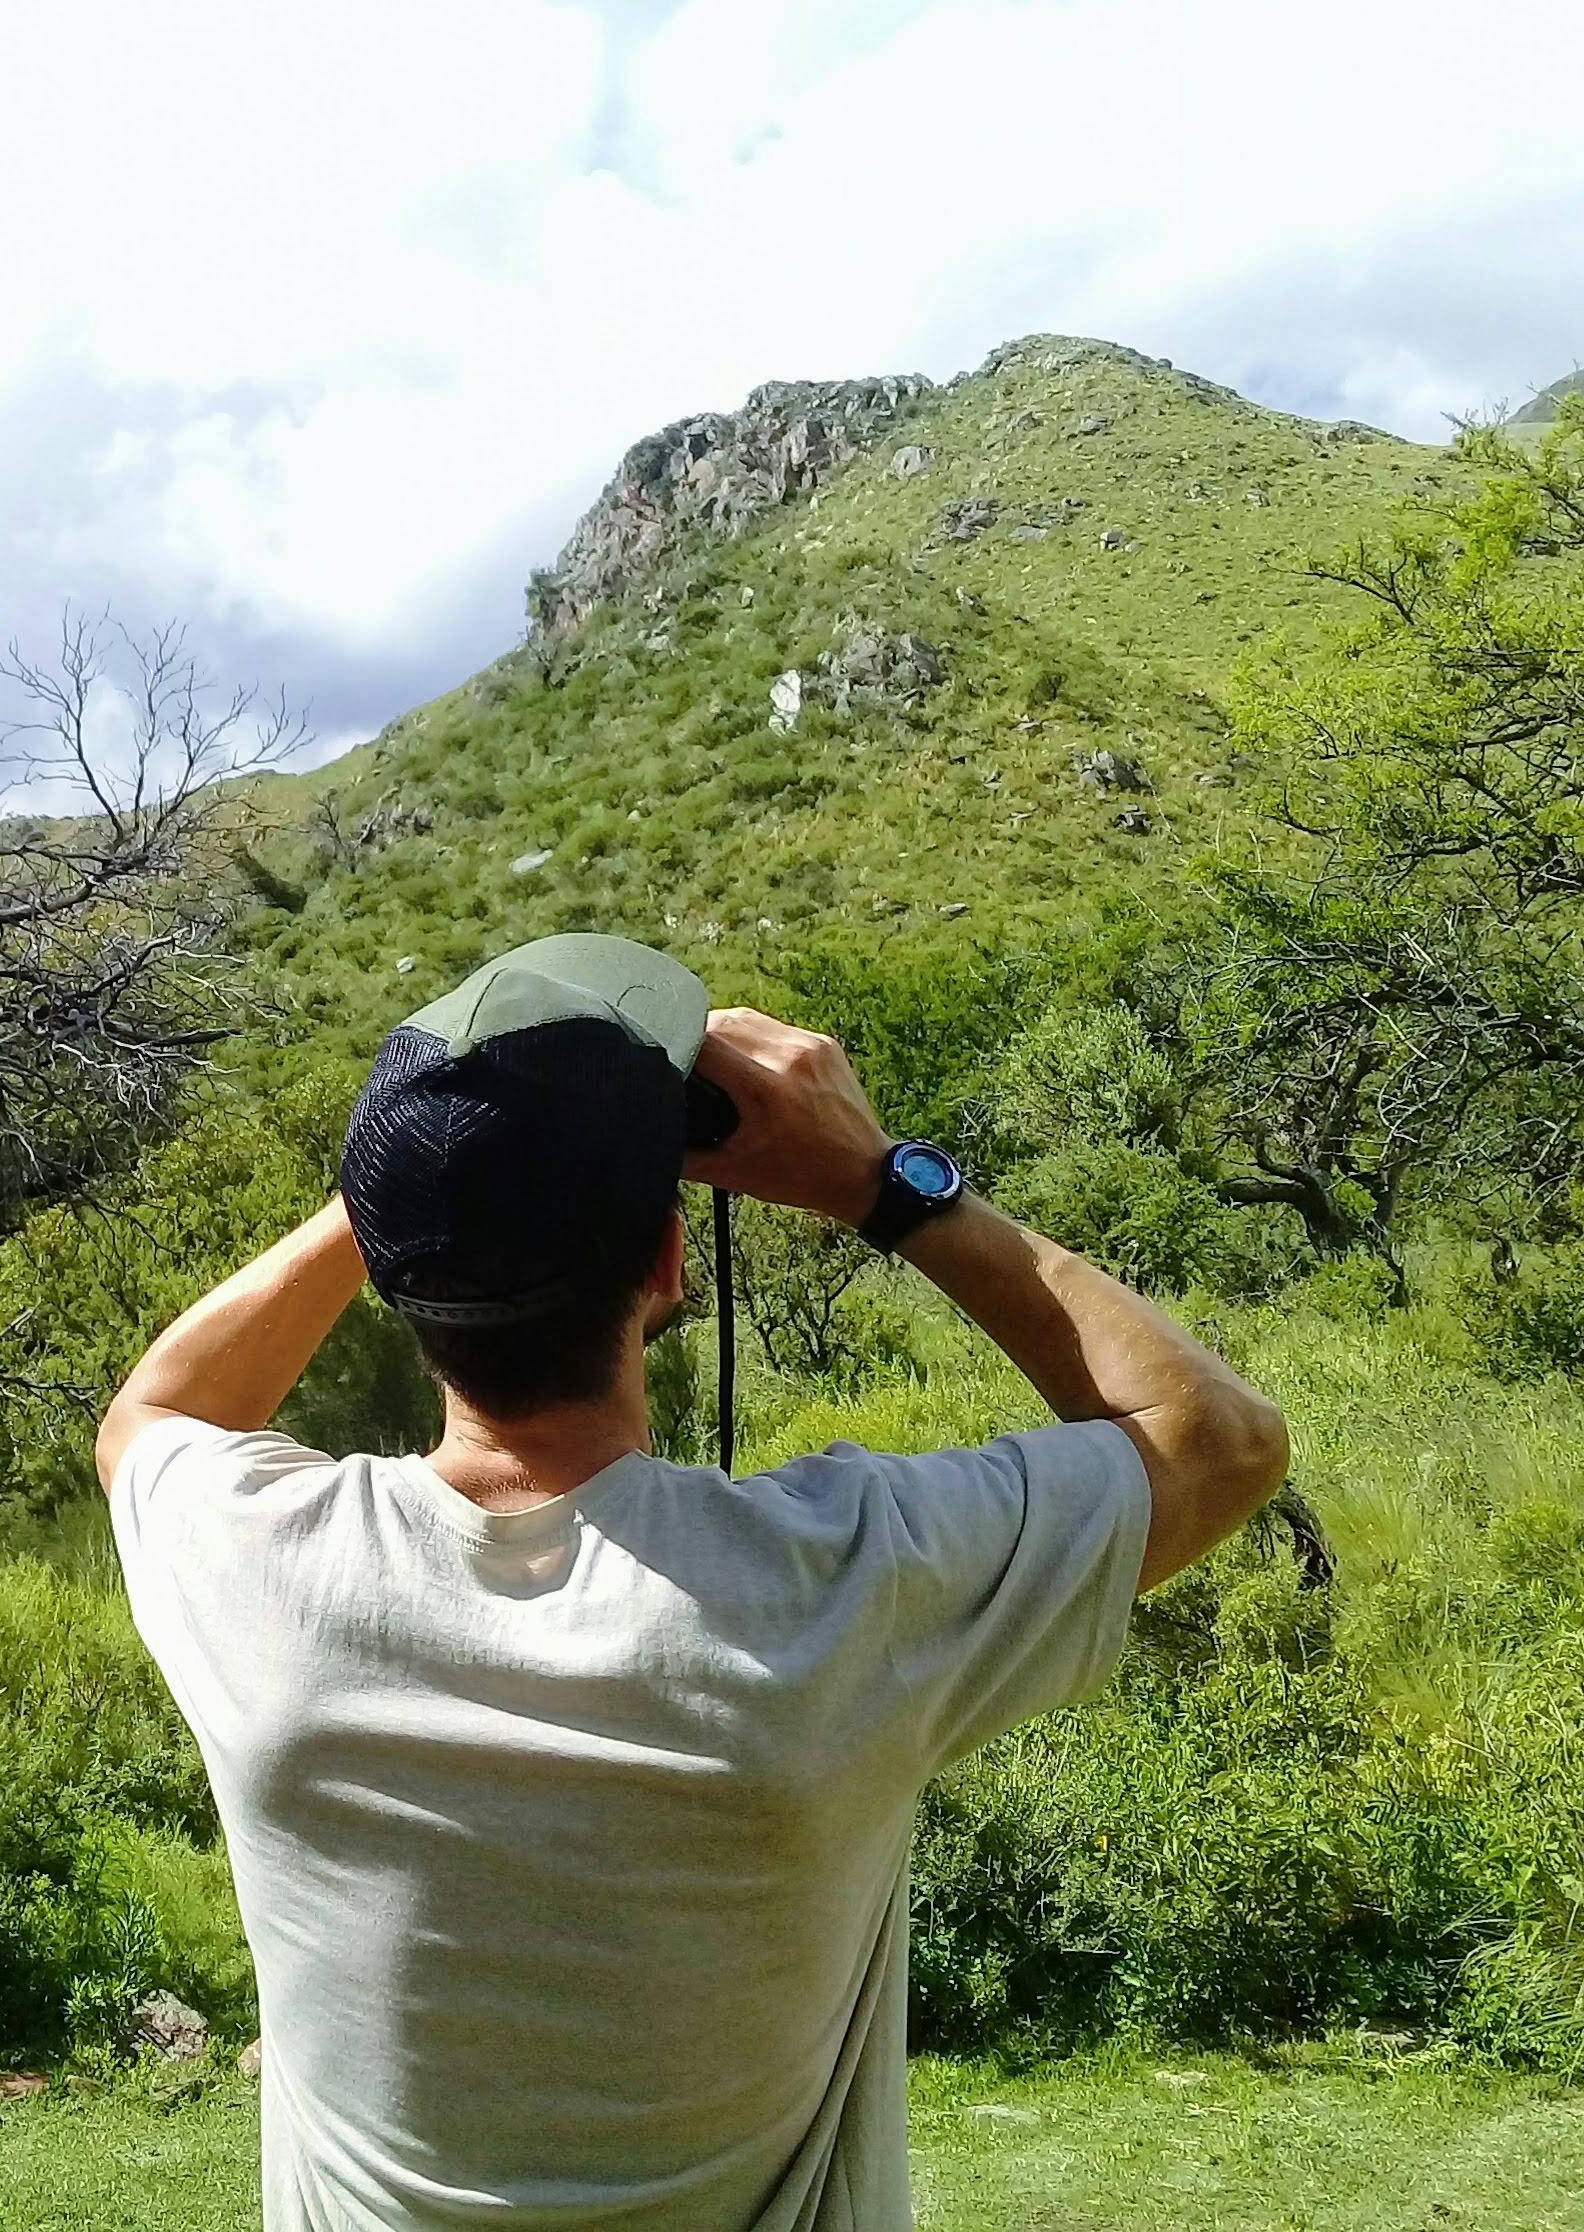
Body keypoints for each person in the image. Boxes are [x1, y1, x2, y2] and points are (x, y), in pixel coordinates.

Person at [100, 934, 1289, 2231]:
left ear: (394, 1274)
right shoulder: (843, 1580)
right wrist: (887, 1184)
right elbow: (1219, 1440)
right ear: (667, 1266)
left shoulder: (261, 1571)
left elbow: (153, 1416)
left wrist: (419, 1173)